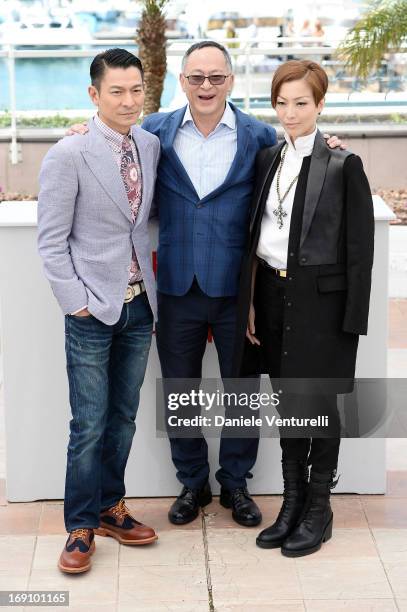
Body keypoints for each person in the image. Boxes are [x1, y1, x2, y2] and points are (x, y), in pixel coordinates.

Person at [68, 41, 344, 529]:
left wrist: (331, 145)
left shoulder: (260, 136)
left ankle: (235, 482)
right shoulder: (154, 132)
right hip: (175, 287)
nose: (206, 86)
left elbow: (302, 160)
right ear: (182, 81)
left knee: (241, 390)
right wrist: (78, 132)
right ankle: (192, 481)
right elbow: (108, 142)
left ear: (231, 81)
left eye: (216, 77)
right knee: (181, 391)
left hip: (239, 290)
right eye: (196, 78)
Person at [233, 59, 374, 556]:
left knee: (319, 405)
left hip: (323, 304)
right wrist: (250, 302)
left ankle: (319, 508)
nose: (290, 113)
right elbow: (258, 237)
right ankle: (291, 505)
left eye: (301, 103)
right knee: (288, 402)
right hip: (272, 295)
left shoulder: (342, 164)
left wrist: (352, 322)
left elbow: (360, 252)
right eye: (282, 102)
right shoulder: (268, 157)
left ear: (319, 105)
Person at [37, 48, 160, 574]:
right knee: (88, 423)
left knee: (125, 418)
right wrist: (77, 303)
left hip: (141, 307)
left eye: (136, 90)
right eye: (117, 91)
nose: (128, 100)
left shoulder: (151, 144)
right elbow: (50, 242)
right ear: (94, 95)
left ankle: (112, 507)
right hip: (92, 310)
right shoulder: (68, 153)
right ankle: (80, 525)